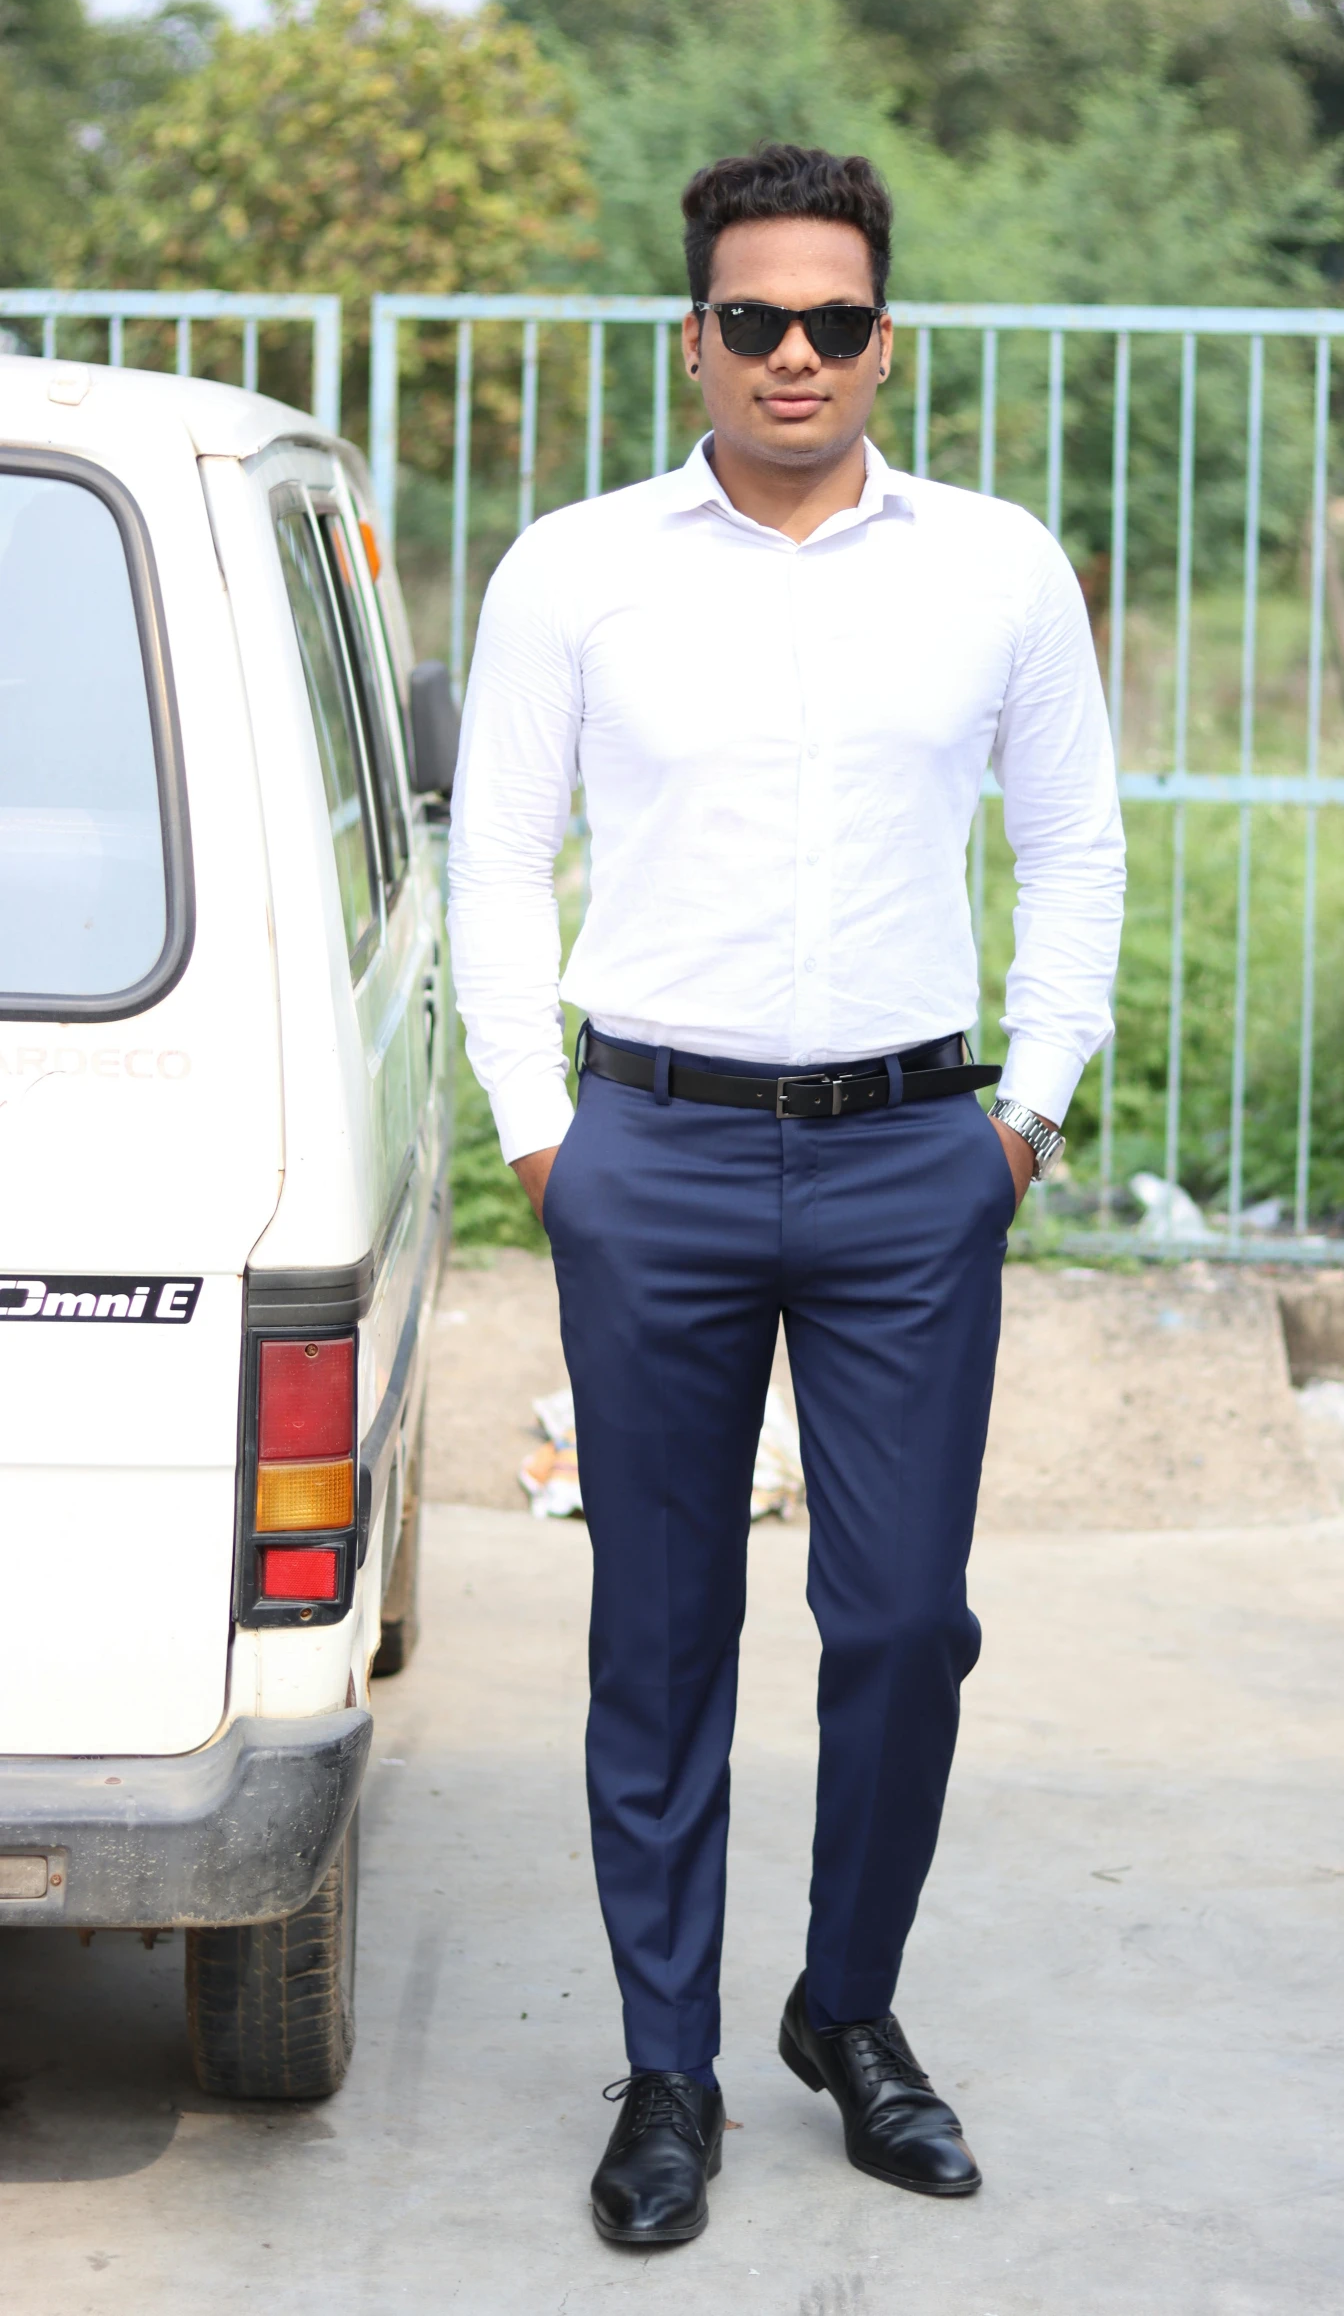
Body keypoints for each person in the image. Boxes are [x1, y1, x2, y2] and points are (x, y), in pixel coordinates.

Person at [447, 142, 1125, 2248]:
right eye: (757, 318)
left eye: (836, 317)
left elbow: (1076, 849)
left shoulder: (998, 568)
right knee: (661, 1634)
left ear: (885, 337)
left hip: (915, 1156)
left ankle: (847, 2005)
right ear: (696, 337)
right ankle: (672, 2064)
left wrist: (1026, 1116)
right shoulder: (575, 568)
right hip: (646, 1149)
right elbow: (493, 857)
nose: (797, 353)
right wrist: (539, 1134)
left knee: (904, 1620)